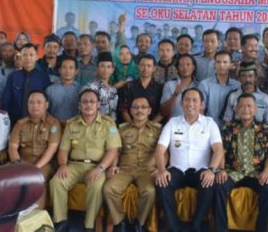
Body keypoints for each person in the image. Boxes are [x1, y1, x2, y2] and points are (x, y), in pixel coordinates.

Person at [154, 88, 225, 232]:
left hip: (201, 170)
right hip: (177, 170)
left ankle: (196, 226)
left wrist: (211, 170)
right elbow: (160, 150)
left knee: (209, 184)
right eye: (187, 100)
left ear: (202, 104)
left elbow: (218, 150)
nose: (190, 103)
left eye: (195, 100)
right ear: (181, 104)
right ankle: (174, 227)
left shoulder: (209, 123)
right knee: (161, 183)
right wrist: (161, 170)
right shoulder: (173, 123)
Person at [50, 89, 121, 232]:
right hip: (74, 165)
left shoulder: (108, 124)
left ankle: (89, 225)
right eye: (85, 102)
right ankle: (61, 221)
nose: (88, 105)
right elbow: (63, 150)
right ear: (79, 105)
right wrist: (63, 165)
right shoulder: (72, 124)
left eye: (92, 102)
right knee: (56, 182)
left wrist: (100, 168)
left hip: (97, 166)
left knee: (96, 186)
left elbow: (112, 150)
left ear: (98, 105)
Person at [218, 93, 268, 232]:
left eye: (249, 106)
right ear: (236, 109)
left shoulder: (265, 129)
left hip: (256, 173)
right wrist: (221, 170)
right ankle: (221, 229)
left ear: (256, 108)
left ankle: (262, 229)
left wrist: (267, 172)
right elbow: (221, 151)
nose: (246, 109)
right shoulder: (228, 127)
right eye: (242, 106)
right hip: (234, 172)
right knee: (218, 186)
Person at [103, 96, 160, 232]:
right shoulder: (122, 129)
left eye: (143, 107)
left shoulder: (157, 129)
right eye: (135, 107)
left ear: (149, 111)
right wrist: (113, 166)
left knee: (150, 191)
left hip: (147, 170)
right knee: (108, 188)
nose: (139, 110)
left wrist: (160, 168)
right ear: (131, 110)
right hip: (125, 169)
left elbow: (163, 151)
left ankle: (139, 223)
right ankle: (120, 221)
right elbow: (116, 150)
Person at [8, 90, 61, 209]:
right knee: (5, 176)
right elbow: (12, 146)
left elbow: (52, 149)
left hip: (45, 163)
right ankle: (8, 215)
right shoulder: (20, 123)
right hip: (22, 161)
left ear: (46, 105)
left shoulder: (53, 124)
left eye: (39, 102)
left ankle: (36, 218)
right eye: (31, 102)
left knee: (37, 178)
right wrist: (17, 164)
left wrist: (36, 167)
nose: (35, 106)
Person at [1, 43, 51, 123]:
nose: (28, 58)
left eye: (31, 55)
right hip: (15, 121)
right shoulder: (13, 76)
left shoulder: (43, 77)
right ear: (21, 57)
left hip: (37, 121)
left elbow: (47, 100)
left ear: (36, 57)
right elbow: (6, 101)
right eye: (25, 55)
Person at [223, 61, 268, 125]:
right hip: (237, 133)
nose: (247, 79)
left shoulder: (265, 98)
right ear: (239, 78)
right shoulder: (233, 96)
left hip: (259, 133)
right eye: (243, 76)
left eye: (250, 76)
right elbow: (227, 121)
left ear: (256, 78)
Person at [118, 54, 163, 123]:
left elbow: (161, 112)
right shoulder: (129, 86)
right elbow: (123, 110)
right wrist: (133, 126)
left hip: (153, 128)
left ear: (154, 68)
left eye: (149, 66)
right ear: (138, 66)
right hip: (131, 126)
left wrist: (150, 126)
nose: (145, 68)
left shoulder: (159, 88)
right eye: (142, 65)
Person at [199, 51, 240, 127]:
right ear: (214, 65)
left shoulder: (237, 85)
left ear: (230, 65)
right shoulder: (204, 84)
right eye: (218, 62)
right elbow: (200, 110)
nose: (221, 65)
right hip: (209, 127)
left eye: (225, 62)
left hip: (231, 128)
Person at [160, 53, 198, 119]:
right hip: (174, 125)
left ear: (193, 67)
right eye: (181, 65)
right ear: (177, 69)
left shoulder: (199, 86)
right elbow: (163, 112)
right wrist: (175, 95)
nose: (185, 67)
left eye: (188, 64)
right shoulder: (169, 85)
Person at [83, 51, 118, 119]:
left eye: (108, 67)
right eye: (102, 66)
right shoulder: (90, 88)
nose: (105, 70)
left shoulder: (113, 90)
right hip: (94, 126)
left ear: (112, 70)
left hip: (110, 126)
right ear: (97, 69)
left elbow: (113, 113)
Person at [46, 56, 81, 124]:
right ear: (60, 70)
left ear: (76, 71)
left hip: (75, 126)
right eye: (64, 67)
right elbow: (45, 111)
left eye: (71, 68)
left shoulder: (81, 90)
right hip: (54, 125)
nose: (67, 70)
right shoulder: (50, 90)